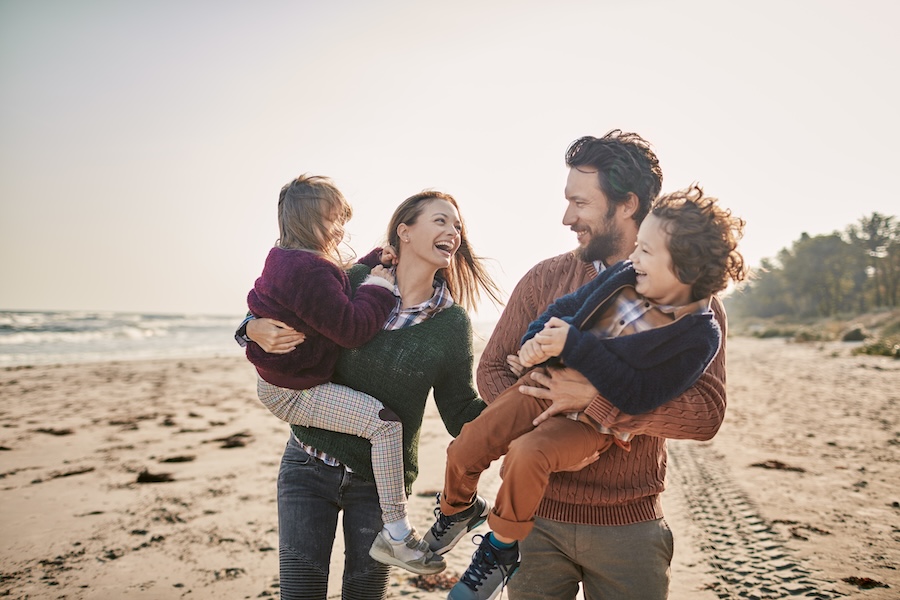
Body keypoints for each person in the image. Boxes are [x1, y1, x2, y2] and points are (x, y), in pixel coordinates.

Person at [427, 185, 746, 600]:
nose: (567, 217)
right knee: (467, 445)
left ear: (626, 204)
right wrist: (537, 353)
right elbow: (503, 358)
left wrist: (587, 395)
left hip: (625, 520)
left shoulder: (701, 327)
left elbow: (693, 411)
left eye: (580, 202)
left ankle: (500, 547)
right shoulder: (565, 276)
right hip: (539, 507)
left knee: (529, 452)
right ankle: (456, 511)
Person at [239, 190, 503, 599]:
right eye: (440, 221)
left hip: (377, 488)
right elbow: (284, 301)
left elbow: (460, 411)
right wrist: (249, 327)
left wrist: (518, 411)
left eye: (457, 225)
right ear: (405, 231)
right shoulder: (354, 281)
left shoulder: (451, 324)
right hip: (307, 465)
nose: (454, 231)